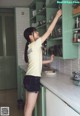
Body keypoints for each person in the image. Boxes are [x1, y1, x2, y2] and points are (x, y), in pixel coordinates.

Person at [23, 9, 62, 116]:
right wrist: (57, 16)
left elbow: (37, 61)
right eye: (35, 32)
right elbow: (49, 31)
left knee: (27, 106)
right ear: (30, 36)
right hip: (33, 79)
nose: (38, 33)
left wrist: (49, 60)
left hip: (28, 78)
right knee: (29, 109)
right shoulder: (35, 44)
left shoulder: (30, 47)